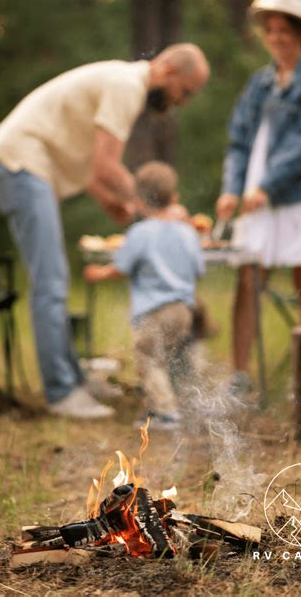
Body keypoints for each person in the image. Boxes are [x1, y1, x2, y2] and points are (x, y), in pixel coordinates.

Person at [0, 45, 210, 418]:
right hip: (19, 163)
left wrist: (110, 202)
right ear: (168, 70)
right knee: (51, 282)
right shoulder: (126, 86)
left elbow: (89, 163)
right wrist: (156, 209)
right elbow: (107, 166)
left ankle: (73, 379)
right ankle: (61, 392)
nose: (182, 102)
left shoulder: (121, 82)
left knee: (54, 280)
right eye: (184, 91)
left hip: (28, 164)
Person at [215, 0, 301, 395]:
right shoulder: (260, 83)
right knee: (247, 279)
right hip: (259, 196)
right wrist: (232, 189)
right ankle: (239, 377)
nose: (276, 38)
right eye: (270, 30)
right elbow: (239, 141)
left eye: (285, 31)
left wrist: (267, 186)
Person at [84, 161, 205, 430]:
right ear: (173, 198)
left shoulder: (140, 233)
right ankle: (188, 405)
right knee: (177, 358)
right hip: (184, 308)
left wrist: (99, 273)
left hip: (154, 310)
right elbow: (199, 268)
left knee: (149, 360)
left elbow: (120, 268)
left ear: (139, 201)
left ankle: (165, 412)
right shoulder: (187, 232)